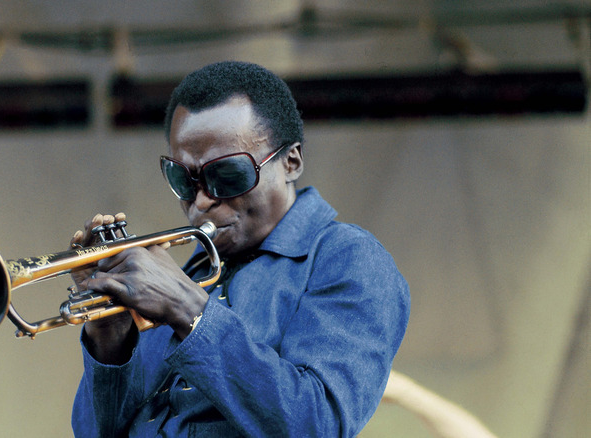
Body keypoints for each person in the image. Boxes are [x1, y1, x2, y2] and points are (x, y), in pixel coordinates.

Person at [69, 61, 410, 437]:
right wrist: (111, 339)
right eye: (183, 180)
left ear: (291, 161)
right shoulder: (192, 275)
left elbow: (315, 424)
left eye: (227, 175)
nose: (200, 203)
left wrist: (188, 310)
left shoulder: (348, 259)